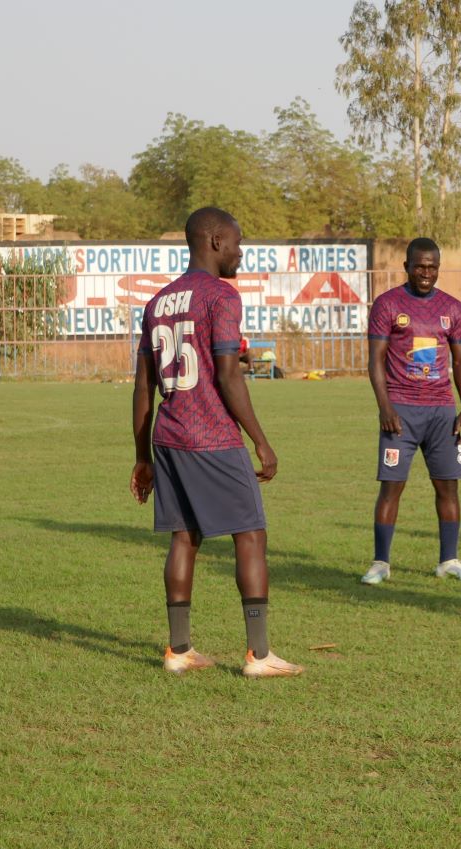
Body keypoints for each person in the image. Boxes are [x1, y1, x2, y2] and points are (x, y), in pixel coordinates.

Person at [129, 207, 301, 678]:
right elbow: (227, 373)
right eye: (237, 242)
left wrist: (143, 456)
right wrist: (261, 441)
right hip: (212, 436)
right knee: (251, 534)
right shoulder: (221, 296)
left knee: (184, 537)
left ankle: (179, 651)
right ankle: (260, 656)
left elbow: (143, 387)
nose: (241, 252)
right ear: (215, 240)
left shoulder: (158, 301)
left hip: (168, 436)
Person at [360, 237, 461, 585]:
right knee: (391, 487)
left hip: (442, 412)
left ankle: (449, 560)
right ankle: (381, 562)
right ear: (407, 267)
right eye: (420, 266)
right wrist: (385, 406)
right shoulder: (387, 304)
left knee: (448, 488)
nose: (426, 272)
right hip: (402, 412)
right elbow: (375, 360)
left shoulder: (452, 308)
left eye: (433, 266)